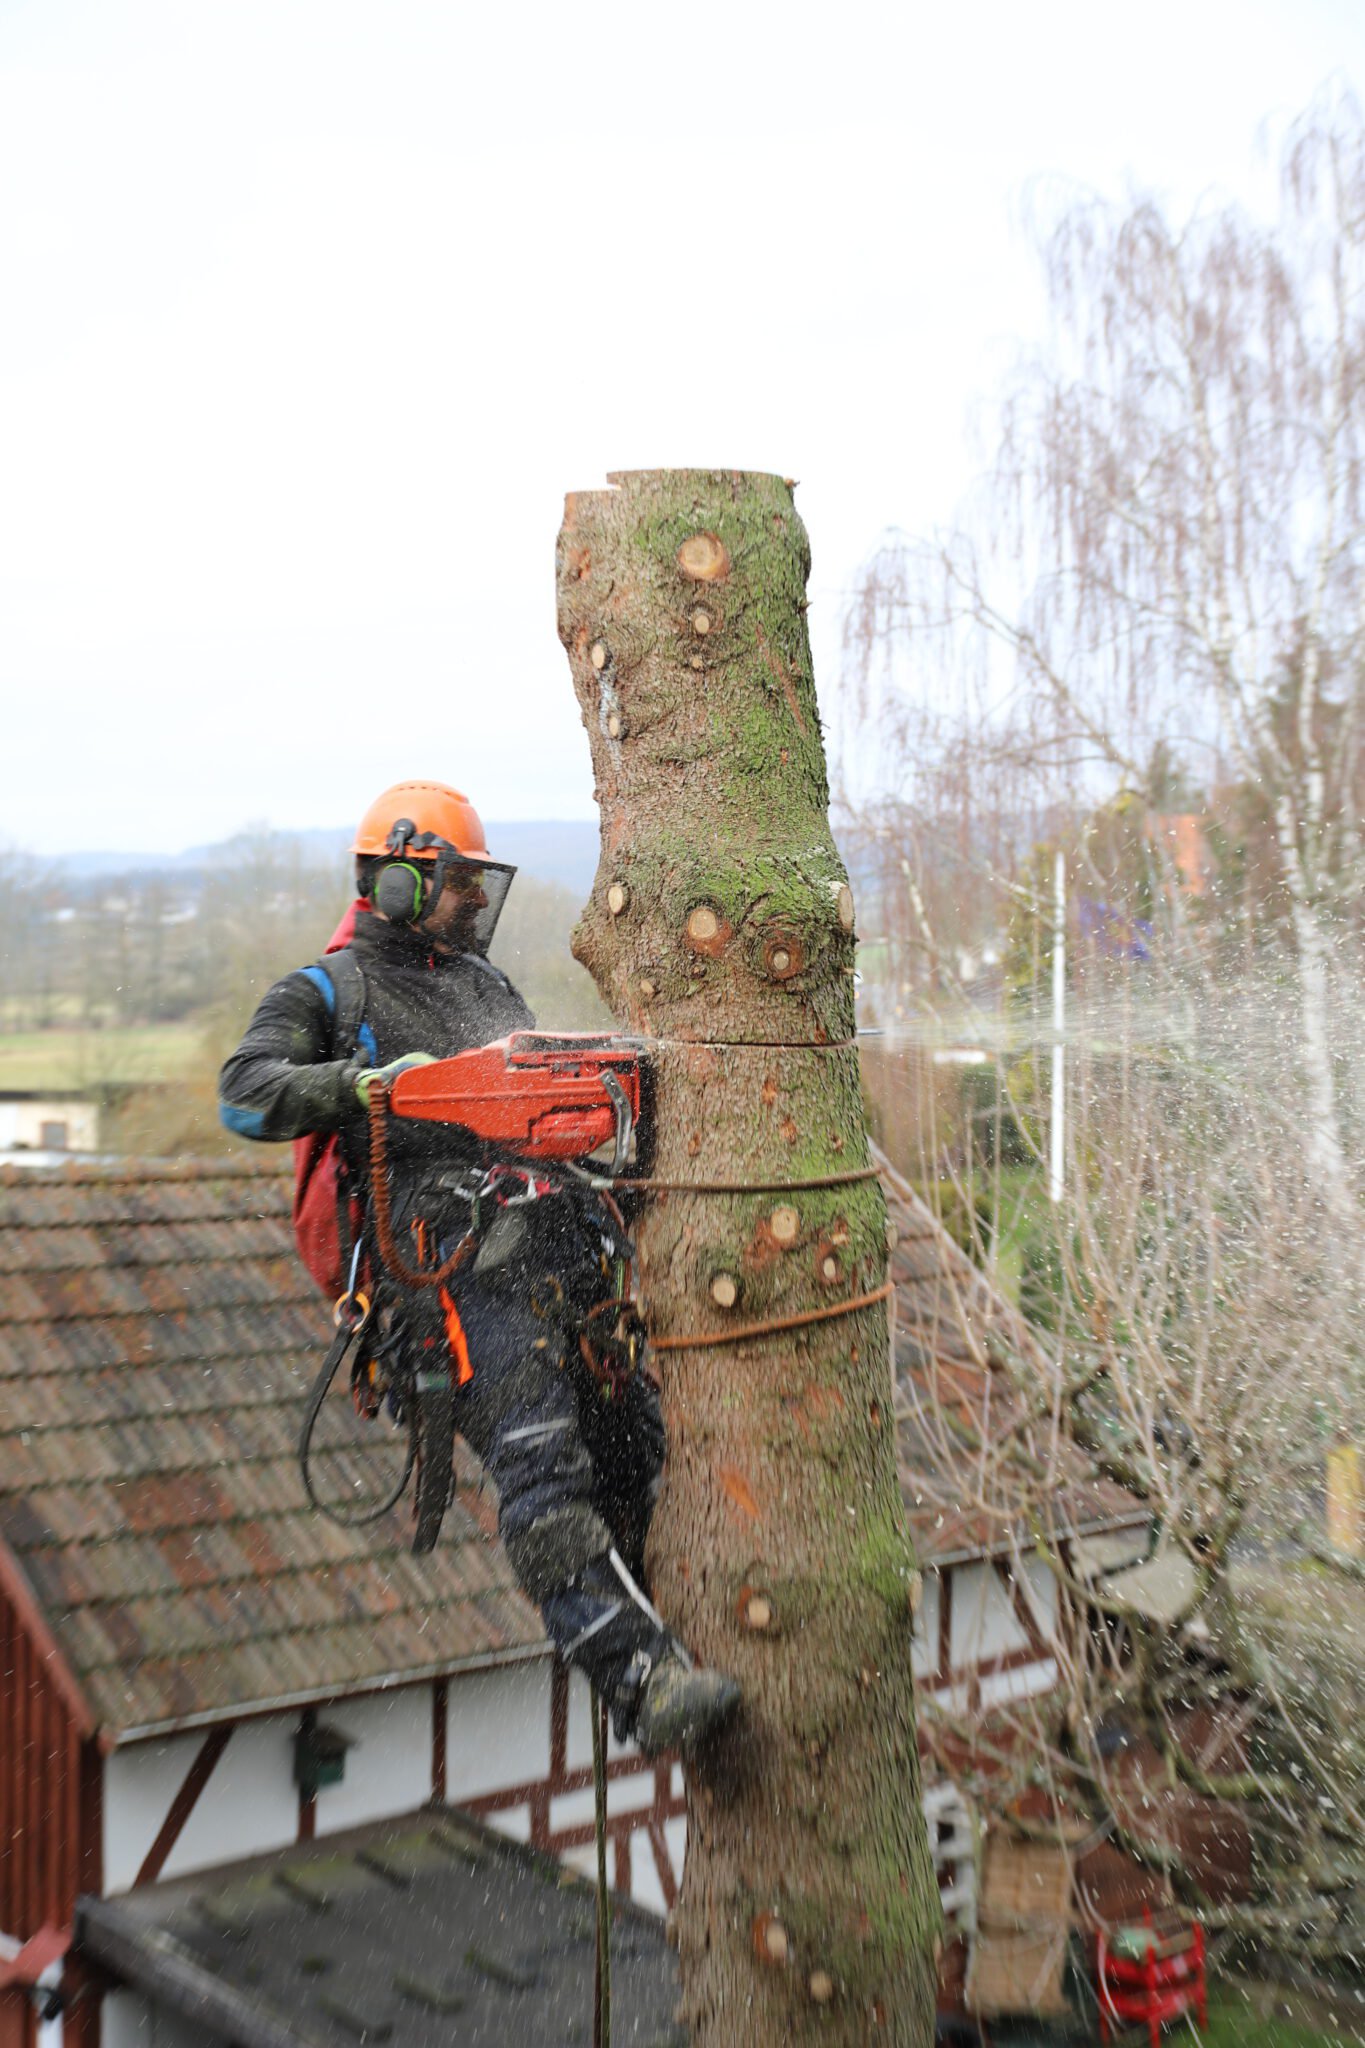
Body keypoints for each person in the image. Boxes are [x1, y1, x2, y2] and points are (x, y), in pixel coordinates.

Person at [219, 779, 740, 1757]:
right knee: (546, 1467)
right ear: (402, 880)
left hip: (558, 1255)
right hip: (449, 1282)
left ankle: (677, 1631)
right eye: (456, 882)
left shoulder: (487, 987)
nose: (471, 902)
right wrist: (365, 1088)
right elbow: (245, 1094)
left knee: (637, 1449)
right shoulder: (330, 991)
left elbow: (539, 1105)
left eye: (475, 883)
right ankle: (639, 1682)